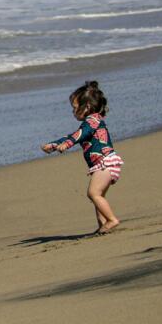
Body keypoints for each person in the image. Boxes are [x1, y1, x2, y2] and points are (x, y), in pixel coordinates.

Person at [40, 80, 123, 234]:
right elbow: (74, 136)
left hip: (105, 163)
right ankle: (103, 226)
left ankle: (112, 220)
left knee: (93, 193)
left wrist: (67, 144)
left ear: (87, 107)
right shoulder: (92, 122)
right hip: (103, 164)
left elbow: (78, 136)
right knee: (98, 197)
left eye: (75, 108)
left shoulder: (91, 122)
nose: (73, 112)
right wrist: (53, 145)